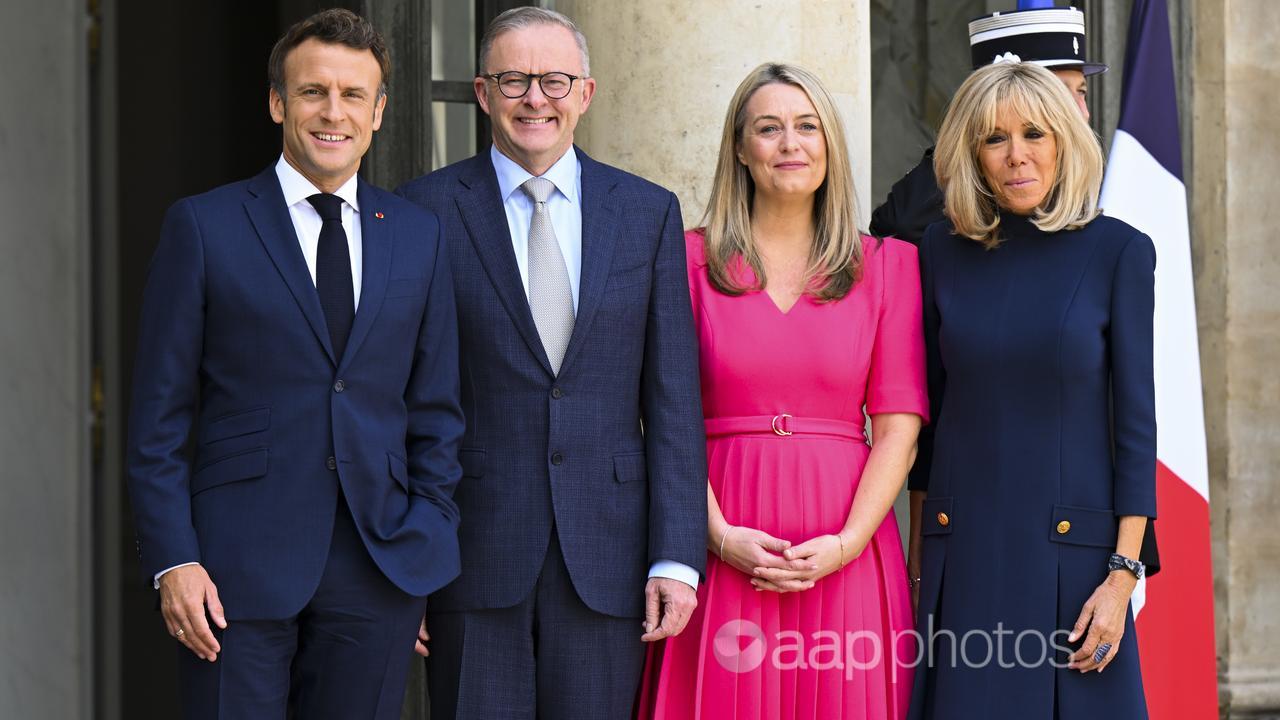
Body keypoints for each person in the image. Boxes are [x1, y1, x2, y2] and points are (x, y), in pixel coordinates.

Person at [125, 9, 464, 719]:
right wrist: (173, 560)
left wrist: (426, 546)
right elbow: (158, 418)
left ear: (377, 113)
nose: (332, 111)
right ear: (279, 102)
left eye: (352, 95)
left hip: (379, 569)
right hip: (231, 571)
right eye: (313, 92)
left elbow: (436, 412)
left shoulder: (417, 236)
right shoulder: (205, 225)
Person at [396, 7, 707, 719]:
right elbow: (398, 400)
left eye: (555, 80)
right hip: (468, 558)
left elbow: (672, 400)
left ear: (586, 93)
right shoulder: (422, 213)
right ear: (482, 93)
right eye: (514, 80)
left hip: (609, 555)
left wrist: (676, 557)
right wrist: (404, 564)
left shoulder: (646, 212)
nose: (536, 97)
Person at [637, 62, 928, 720]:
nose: (790, 143)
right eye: (768, 129)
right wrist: (714, 535)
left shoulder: (888, 266)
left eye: (807, 126)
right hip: (718, 538)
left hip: (846, 550)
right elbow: (658, 413)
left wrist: (848, 544)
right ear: (740, 149)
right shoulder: (682, 261)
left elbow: (899, 429)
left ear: (830, 144)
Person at [873, 4, 1161, 579]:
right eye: (1064, 91)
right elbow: (934, 403)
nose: (1081, 110)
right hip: (972, 522)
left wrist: (1126, 561)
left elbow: (1131, 415)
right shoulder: (937, 240)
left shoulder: (1119, 242)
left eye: (1077, 96)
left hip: (1082, 525)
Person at [906, 60, 1155, 719]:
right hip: (965, 554)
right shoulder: (938, 251)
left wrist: (1122, 576)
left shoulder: (1119, 252)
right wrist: (917, 563)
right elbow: (929, 424)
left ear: (1064, 141)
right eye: (994, 138)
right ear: (974, 154)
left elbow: (1135, 430)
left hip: (1078, 566)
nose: (1016, 156)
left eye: (1034, 134)